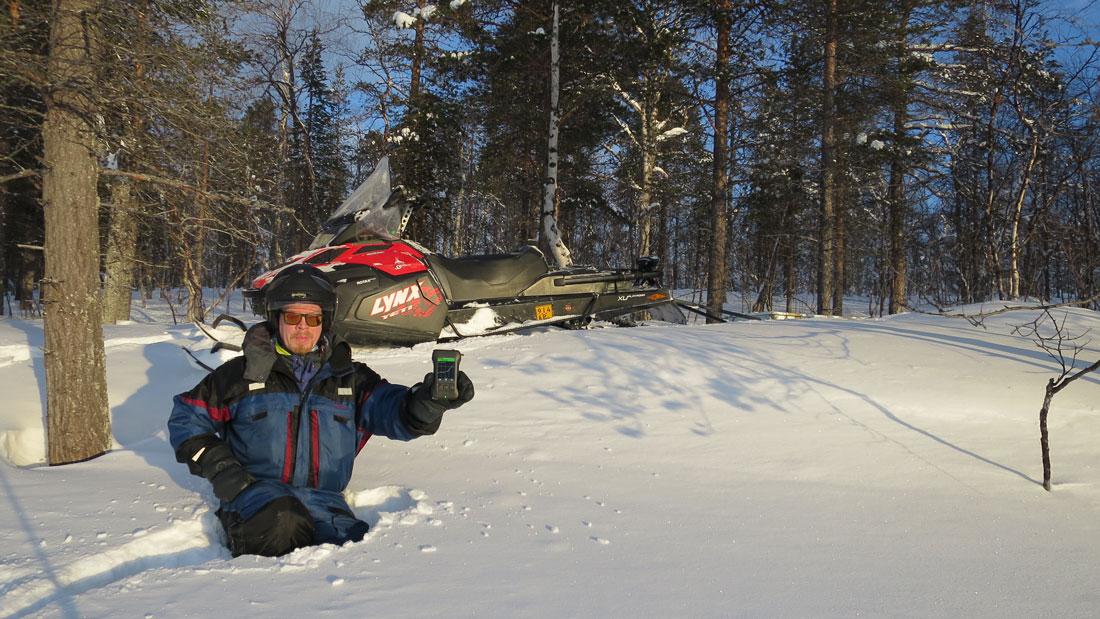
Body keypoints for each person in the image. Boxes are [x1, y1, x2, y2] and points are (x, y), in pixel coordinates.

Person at [168, 264, 473, 557]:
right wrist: (222, 470)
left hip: (327, 506)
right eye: (293, 317)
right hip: (256, 501)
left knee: (362, 554)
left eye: (312, 319)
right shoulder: (241, 375)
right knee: (284, 522)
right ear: (276, 319)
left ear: (325, 322)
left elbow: (395, 412)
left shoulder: (350, 379)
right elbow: (187, 418)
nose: (302, 327)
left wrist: (428, 402)